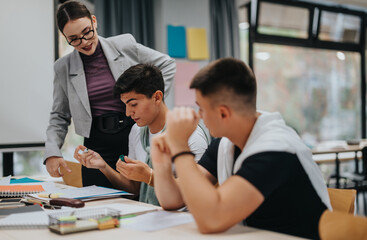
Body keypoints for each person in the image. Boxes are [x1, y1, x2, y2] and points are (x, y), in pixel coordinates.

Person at [151, 58, 331, 239]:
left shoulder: (275, 150)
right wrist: (162, 164)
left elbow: (211, 220)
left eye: (201, 109)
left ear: (223, 113)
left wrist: (181, 149)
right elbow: (173, 200)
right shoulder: (225, 144)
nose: (199, 116)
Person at [44, 0, 175, 188]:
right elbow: (60, 115)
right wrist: (52, 151)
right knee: (98, 202)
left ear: (94, 21)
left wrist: (151, 102)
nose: (84, 42)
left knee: (139, 198)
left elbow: (167, 64)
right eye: (74, 39)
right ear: (65, 37)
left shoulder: (124, 44)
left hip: (133, 132)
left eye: (87, 32)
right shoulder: (63, 68)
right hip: (97, 144)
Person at [73, 64, 208, 205]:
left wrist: (150, 176)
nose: (127, 113)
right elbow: (134, 188)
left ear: (157, 97)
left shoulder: (191, 137)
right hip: (148, 214)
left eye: (133, 104)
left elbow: (194, 192)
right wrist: (104, 167)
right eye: (125, 105)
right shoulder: (136, 131)